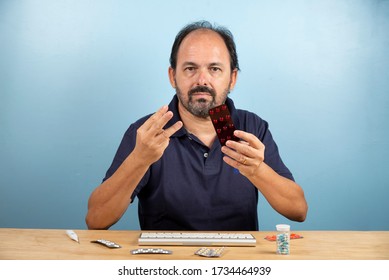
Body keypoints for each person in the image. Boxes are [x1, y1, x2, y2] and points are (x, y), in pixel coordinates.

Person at [86, 21, 308, 230]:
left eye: (214, 69)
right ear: (173, 76)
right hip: (166, 266)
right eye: (190, 68)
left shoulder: (252, 127)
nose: (202, 80)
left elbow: (298, 211)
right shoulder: (146, 132)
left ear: (232, 78)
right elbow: (96, 220)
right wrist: (139, 159)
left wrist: (258, 170)